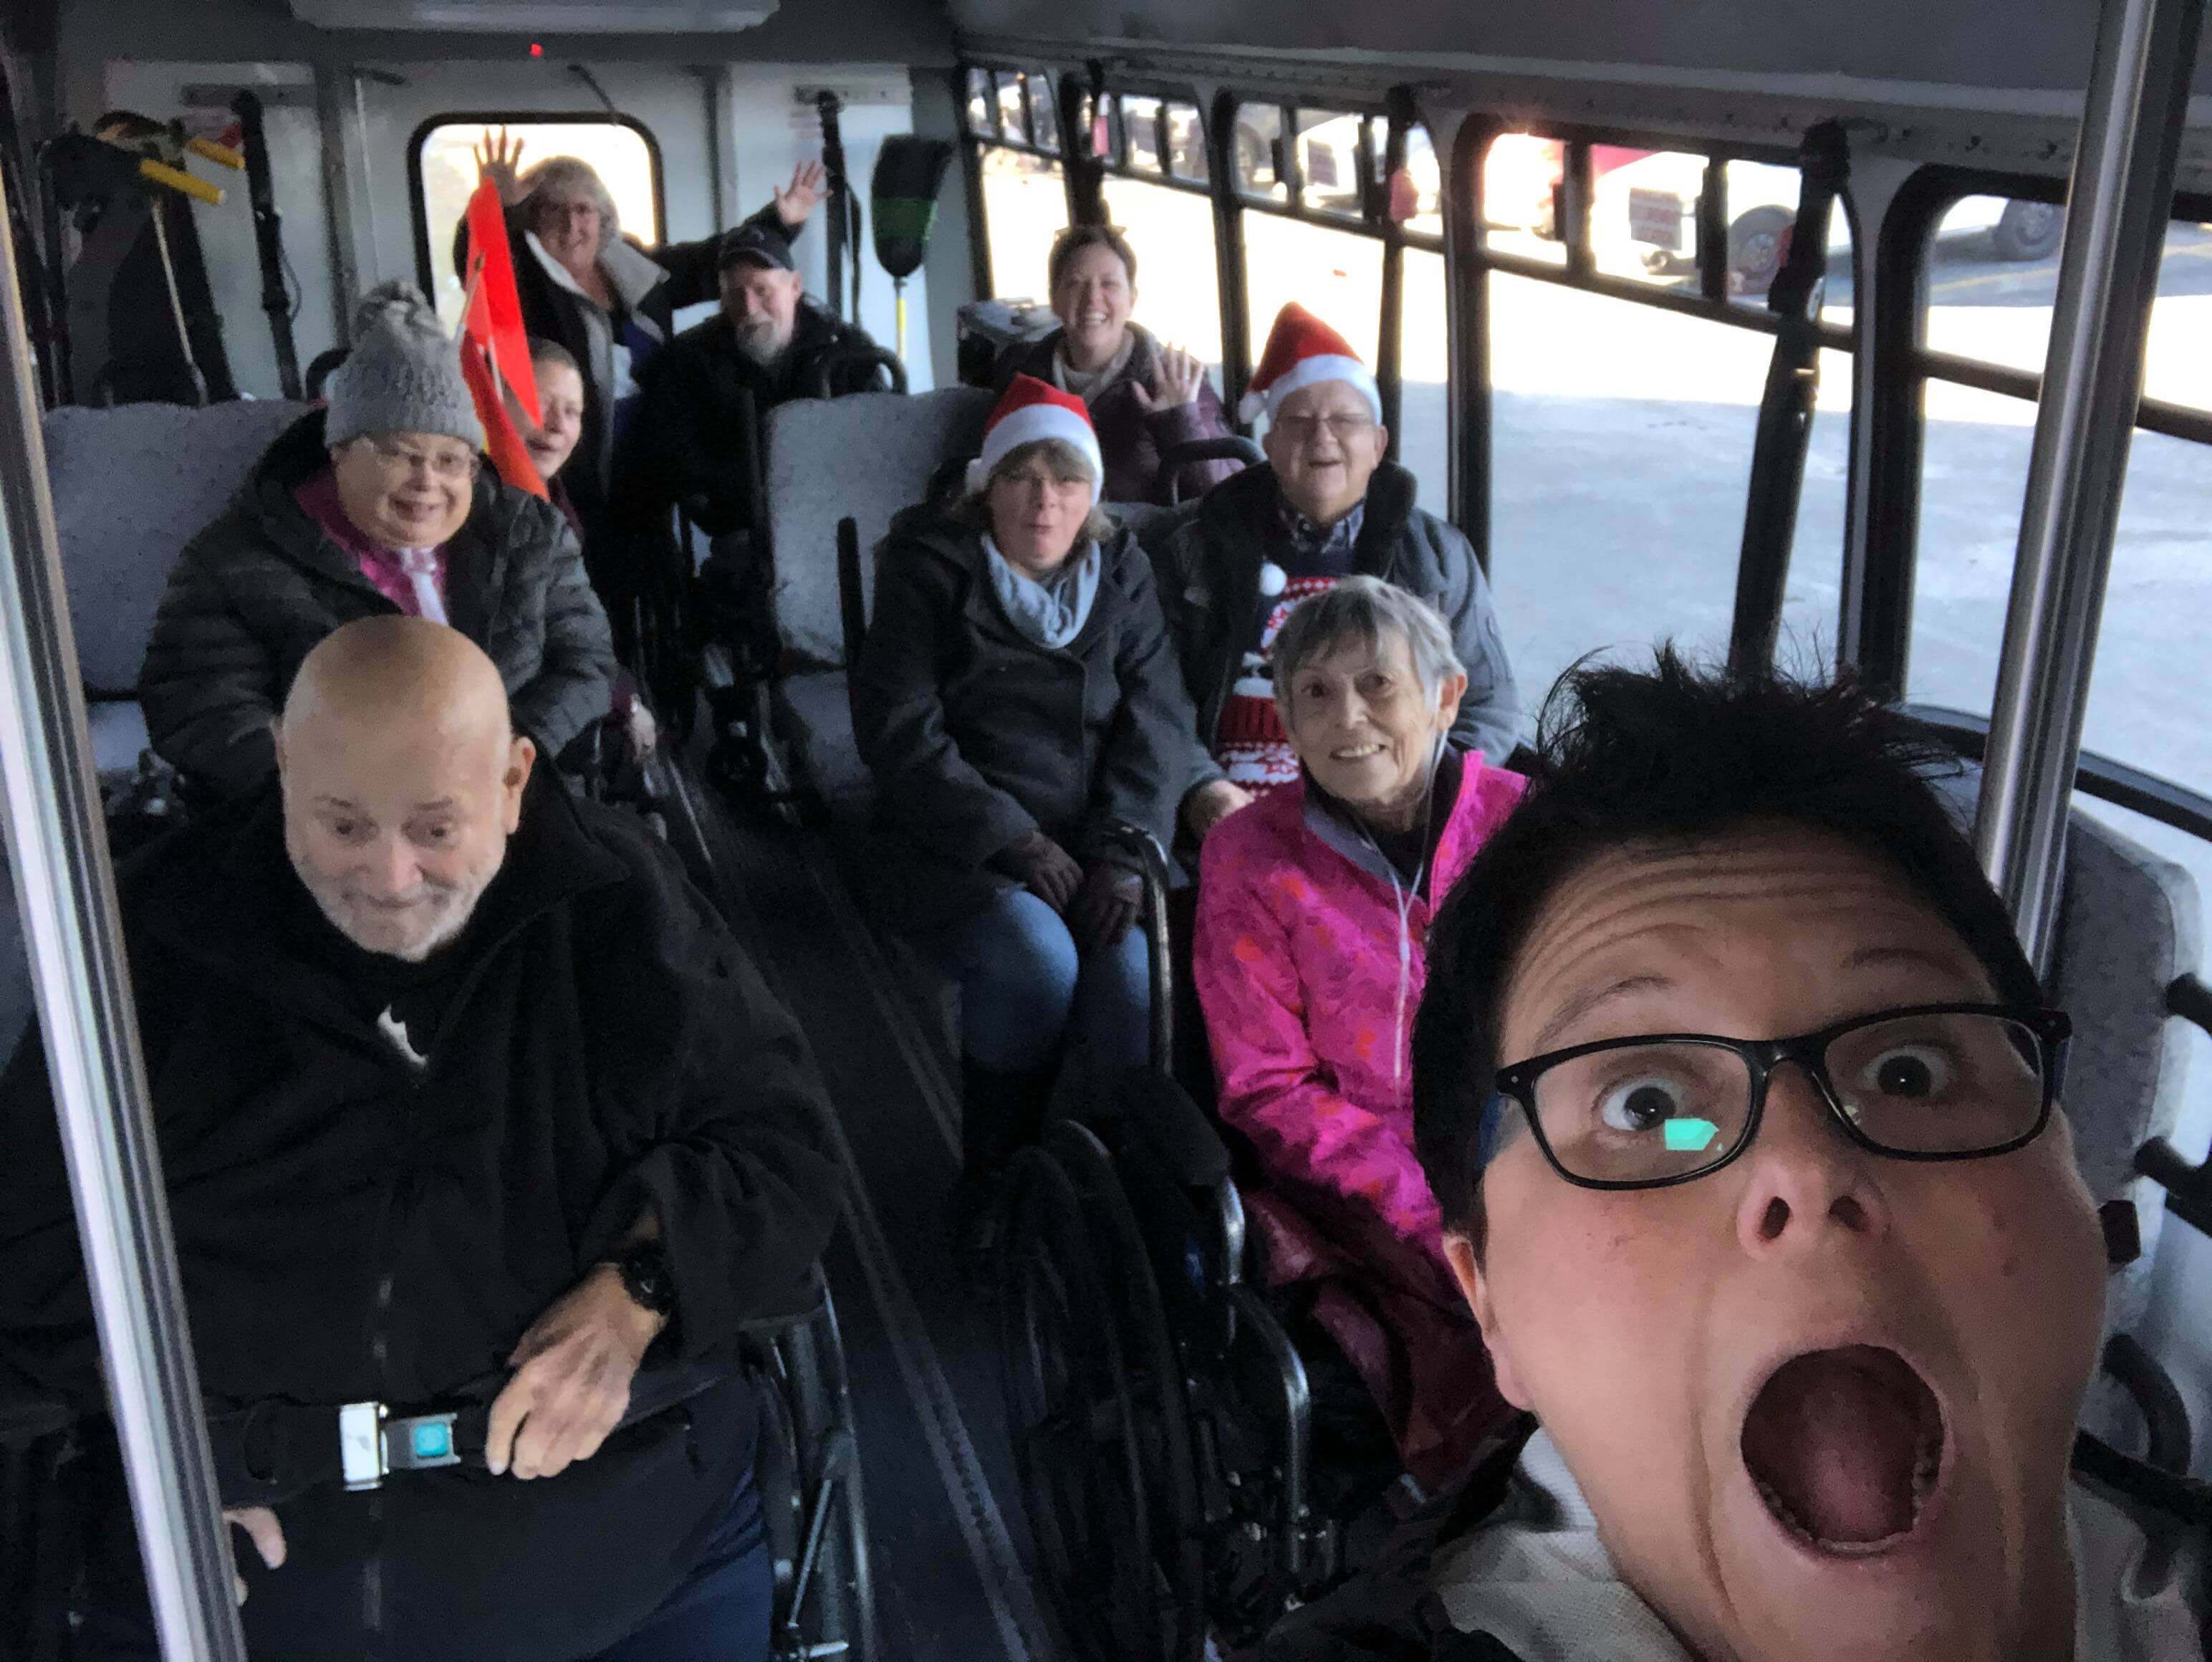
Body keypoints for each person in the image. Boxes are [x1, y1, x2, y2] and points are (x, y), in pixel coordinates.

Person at [1264, 650, 2206, 1661]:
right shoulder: (1259, 862)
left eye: (1907, 1074)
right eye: (1644, 1097)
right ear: (1489, 1300)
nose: (1806, 1168)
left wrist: (1673, 1123)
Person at [0, 618, 843, 1661]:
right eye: (342, 827)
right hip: (258, 1543)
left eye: (436, 830)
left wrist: (642, 1293)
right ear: (282, 769)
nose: (390, 880)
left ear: (515, 780)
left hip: (620, 1531)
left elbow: (783, 1152)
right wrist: (164, 1455)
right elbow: (35, 1251)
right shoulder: (157, 936)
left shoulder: (620, 911)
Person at [850, 375, 1222, 1229]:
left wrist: (1125, 850)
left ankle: (1109, 1192)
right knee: (1035, 959)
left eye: (1067, 480)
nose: (1044, 501)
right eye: (1022, 476)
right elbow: (900, 731)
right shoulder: (928, 568)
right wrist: (1011, 839)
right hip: (958, 839)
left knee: (1135, 984)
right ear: (988, 485)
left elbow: (1158, 720)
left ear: (1093, 493)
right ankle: (994, 1170)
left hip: (1098, 835)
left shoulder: (1123, 574)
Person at [1195, 579, 1526, 1494]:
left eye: (1379, 685)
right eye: (1315, 693)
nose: (1349, 719)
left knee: (1698, 1154)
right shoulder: (1249, 856)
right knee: (1510, 1304)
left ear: (1445, 696)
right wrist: (1426, 1201)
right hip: (1361, 1175)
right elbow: (1267, 1087)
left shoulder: (1526, 827)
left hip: (1543, 1131)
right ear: (1289, 723)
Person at [140, 282, 617, 798]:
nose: (427, 482)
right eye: (399, 454)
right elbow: (200, 707)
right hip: (323, 826)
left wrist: (506, 754)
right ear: (339, 452)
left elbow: (585, 663)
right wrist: (353, 789)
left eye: (451, 460)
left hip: (511, 796)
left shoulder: (529, 532)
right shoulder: (236, 558)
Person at [1155, 303, 1521, 836]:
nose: (1321, 439)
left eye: (1345, 422)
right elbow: (1154, 699)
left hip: (1392, 814)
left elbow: (1489, 703)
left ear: (1377, 446)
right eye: (1299, 422)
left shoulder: (1436, 556)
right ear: (1270, 446)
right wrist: (1200, 787)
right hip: (1230, 817)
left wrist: (1419, 796)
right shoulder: (1194, 549)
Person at [463, 132, 827, 541]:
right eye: (553, 210)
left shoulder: (631, 267)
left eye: (584, 210)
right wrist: (496, 208)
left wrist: (779, 222)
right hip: (574, 462)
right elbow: (478, 265)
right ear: (532, 218)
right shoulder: (525, 279)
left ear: (603, 220)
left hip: (650, 457)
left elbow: (713, 261)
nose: (572, 224)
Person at [993, 223, 1241, 506]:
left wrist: (1179, 422)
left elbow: (1229, 501)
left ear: (1132, 299)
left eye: (1109, 284)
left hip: (1144, 543)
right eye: (1075, 284)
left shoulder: (1177, 378)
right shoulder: (1021, 372)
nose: (1092, 300)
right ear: (1054, 300)